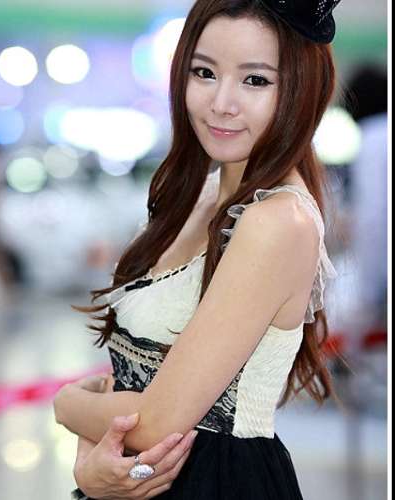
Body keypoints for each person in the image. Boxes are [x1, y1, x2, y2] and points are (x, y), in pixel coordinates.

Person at [54, 0, 343, 498]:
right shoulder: (202, 195)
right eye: (204, 72)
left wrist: (65, 405)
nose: (221, 103)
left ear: (302, 90)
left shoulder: (278, 221)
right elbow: (133, 388)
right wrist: (90, 467)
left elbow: (154, 422)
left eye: (255, 80)